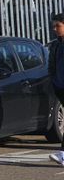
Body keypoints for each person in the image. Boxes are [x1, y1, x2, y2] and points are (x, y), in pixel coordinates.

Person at [49, 14, 64, 166]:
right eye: (54, 26)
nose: (55, 29)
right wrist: (54, 82)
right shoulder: (55, 45)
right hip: (60, 87)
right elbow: (52, 66)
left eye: (57, 26)